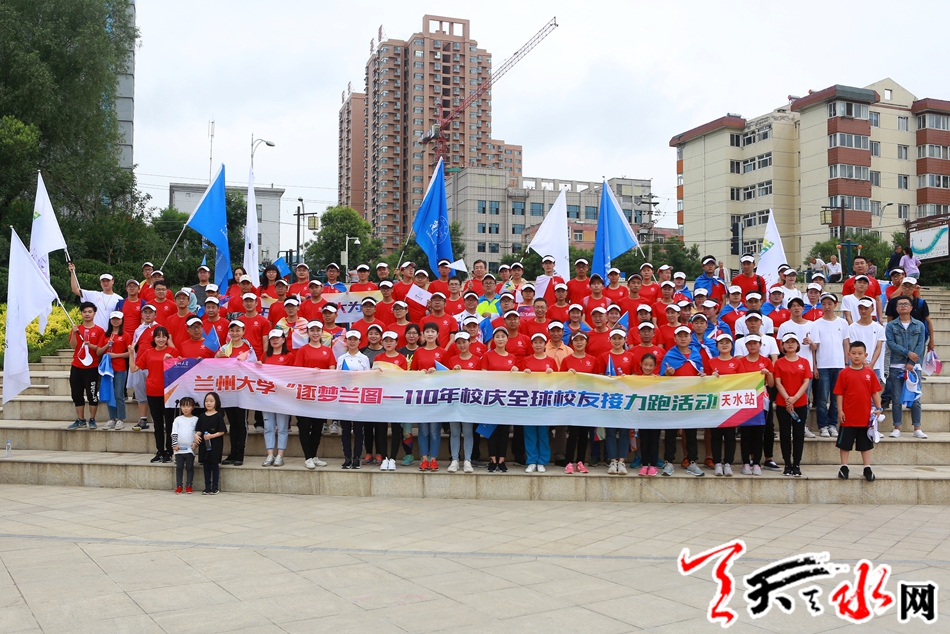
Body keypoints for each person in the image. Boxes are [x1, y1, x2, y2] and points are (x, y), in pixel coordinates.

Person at [834, 342, 883, 482]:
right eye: (854, 353)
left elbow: (875, 392)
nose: (857, 356)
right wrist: (840, 410)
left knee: (865, 444)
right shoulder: (844, 373)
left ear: (865, 355)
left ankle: (867, 467)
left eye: (860, 353)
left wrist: (879, 408)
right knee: (845, 444)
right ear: (848, 354)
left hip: (865, 416)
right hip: (848, 416)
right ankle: (844, 466)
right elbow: (839, 394)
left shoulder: (870, 373)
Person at [293, 321, 335, 468]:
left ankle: (314, 455)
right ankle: (308, 457)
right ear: (308, 332)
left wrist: (323, 374)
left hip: (321, 394)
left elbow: (332, 370)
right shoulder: (302, 350)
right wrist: (311, 373)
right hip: (306, 394)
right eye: (312, 330)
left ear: (322, 332)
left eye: (318, 330)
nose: (315, 333)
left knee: (318, 427)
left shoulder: (327, 350)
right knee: (305, 427)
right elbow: (298, 371)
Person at [134, 326, 178, 463]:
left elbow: (180, 368)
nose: (161, 339)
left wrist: (171, 360)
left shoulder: (173, 351)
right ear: (154, 338)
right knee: (157, 424)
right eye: (158, 337)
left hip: (169, 393)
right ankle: (160, 450)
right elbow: (134, 368)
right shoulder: (148, 352)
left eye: (164, 336)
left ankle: (169, 451)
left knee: (170, 424)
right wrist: (130, 353)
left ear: (167, 338)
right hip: (152, 392)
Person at [885, 295, 927, 439]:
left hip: (914, 367)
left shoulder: (919, 325)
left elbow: (921, 345)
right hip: (896, 365)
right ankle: (897, 427)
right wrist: (908, 353)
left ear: (911, 307)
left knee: (915, 398)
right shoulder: (891, 325)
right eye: (900, 304)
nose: (903, 306)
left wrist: (911, 362)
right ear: (896, 308)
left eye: (906, 304)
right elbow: (891, 343)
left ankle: (917, 428)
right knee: (896, 398)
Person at [480, 327, 519, 472]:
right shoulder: (487, 355)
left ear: (507, 339)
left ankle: (502, 459)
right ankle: (492, 459)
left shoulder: (512, 357)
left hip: (506, 399)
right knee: (492, 429)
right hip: (491, 398)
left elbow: (515, 379)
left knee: (504, 430)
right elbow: (483, 376)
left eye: (503, 336)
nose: (500, 339)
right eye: (497, 336)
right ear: (493, 339)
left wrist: (515, 372)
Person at [810, 293, 850, 437]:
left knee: (836, 397)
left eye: (830, 304)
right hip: (823, 365)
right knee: (821, 398)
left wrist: (846, 363)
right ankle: (823, 425)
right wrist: (815, 366)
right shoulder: (816, 324)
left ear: (835, 305)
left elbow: (846, 343)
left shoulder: (843, 323)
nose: (827, 307)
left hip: (839, 365)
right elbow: (814, 348)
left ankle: (832, 424)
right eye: (824, 304)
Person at [773, 333, 811, 477]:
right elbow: (778, 382)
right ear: (782, 345)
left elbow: (806, 382)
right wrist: (788, 399)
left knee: (798, 434)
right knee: (784, 434)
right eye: (787, 342)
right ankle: (787, 464)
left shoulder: (804, 362)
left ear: (797, 345)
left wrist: (794, 398)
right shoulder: (779, 362)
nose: (790, 344)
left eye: (793, 342)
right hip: (783, 403)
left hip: (800, 403)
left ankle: (797, 464)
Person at [65, 302, 107, 430]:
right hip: (77, 366)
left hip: (92, 367)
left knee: (92, 394)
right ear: (81, 314)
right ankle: (81, 419)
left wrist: (91, 346)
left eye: (90, 311)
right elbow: (73, 346)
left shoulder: (99, 330)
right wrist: (74, 333)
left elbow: (99, 350)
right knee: (76, 393)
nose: (87, 314)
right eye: (84, 312)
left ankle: (92, 419)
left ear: (94, 313)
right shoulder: (77, 328)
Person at [738, 335, 775, 475]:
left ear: (760, 344)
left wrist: (768, 374)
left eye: (755, 343)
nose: (752, 346)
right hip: (745, 400)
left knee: (759, 432)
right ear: (746, 346)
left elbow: (771, 384)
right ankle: (745, 462)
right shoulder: (740, 362)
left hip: (761, 400)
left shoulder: (766, 361)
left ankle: (757, 463)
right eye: (749, 343)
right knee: (745, 432)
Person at [260, 330, 295, 467]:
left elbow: (293, 374)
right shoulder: (265, 355)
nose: (275, 340)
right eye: (272, 338)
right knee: (268, 426)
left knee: (282, 427)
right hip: (267, 396)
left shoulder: (289, 356)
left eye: (277, 338)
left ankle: (280, 454)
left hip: (282, 397)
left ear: (283, 339)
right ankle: (270, 454)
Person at [705, 334, 739, 476]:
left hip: (731, 404)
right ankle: (717, 463)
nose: (724, 345)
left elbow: (743, 381)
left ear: (732, 346)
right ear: (717, 346)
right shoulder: (711, 362)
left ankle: (728, 463)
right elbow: (705, 382)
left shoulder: (737, 362)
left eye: (727, 342)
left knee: (730, 436)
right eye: (721, 343)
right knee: (716, 435)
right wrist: (710, 378)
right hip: (716, 403)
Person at [521, 333, 556, 473]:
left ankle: (542, 461)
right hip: (529, 401)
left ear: (545, 344)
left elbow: (557, 382)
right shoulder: (526, 360)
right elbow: (519, 380)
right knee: (529, 433)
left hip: (544, 402)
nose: (538, 344)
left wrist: (552, 374)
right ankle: (531, 460)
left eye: (541, 342)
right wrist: (524, 374)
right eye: (535, 342)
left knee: (543, 433)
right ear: (531, 344)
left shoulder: (551, 361)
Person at [337, 331, 372, 469]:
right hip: (344, 397)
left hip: (358, 398)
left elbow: (368, 378)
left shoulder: (364, 358)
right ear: (346, 341)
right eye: (350, 339)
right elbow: (337, 377)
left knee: (358, 430)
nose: (352, 342)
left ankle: (356, 457)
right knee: (345, 430)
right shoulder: (341, 358)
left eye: (355, 339)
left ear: (359, 341)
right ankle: (347, 457)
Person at [560, 332, 594, 474]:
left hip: (587, 402)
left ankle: (581, 461)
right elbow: (560, 381)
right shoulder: (566, 360)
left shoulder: (593, 360)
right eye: (576, 340)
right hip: (572, 402)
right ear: (571, 343)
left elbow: (598, 380)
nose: (579, 342)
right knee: (573, 433)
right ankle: (569, 462)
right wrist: (567, 375)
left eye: (582, 340)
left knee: (584, 433)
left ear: (586, 342)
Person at [68, 262, 121, 330]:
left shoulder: (119, 299)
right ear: (100, 282)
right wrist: (72, 273)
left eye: (108, 280)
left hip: (110, 333)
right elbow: (75, 289)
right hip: (95, 332)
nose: (105, 283)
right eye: (103, 281)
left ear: (113, 281)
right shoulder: (94, 295)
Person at [101, 311, 131, 430]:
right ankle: (112, 418)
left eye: (118, 319)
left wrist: (116, 356)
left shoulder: (125, 335)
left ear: (122, 320)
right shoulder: (105, 335)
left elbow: (130, 353)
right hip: (107, 369)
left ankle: (121, 418)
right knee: (110, 394)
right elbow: (99, 351)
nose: (115, 321)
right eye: (113, 318)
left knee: (119, 394)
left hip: (120, 368)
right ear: (110, 320)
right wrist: (106, 347)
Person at [849, 298, 886, 382]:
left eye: (866, 308)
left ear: (872, 309)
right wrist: (864, 362)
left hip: (874, 366)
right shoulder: (852, 328)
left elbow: (878, 347)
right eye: (861, 308)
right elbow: (853, 346)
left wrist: (872, 364)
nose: (863, 311)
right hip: (857, 366)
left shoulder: (879, 328)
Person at [196, 392, 226, 494]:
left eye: (211, 401)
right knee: (206, 466)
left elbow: (222, 431)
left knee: (214, 465)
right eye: (206, 401)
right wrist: (196, 435)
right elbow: (199, 430)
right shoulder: (201, 416)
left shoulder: (218, 416)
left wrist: (211, 436)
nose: (208, 403)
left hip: (215, 444)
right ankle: (207, 486)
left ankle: (215, 487)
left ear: (216, 403)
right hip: (204, 445)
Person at [171, 397, 199, 494]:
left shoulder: (196, 419)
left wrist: (195, 443)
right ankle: (179, 486)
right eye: (183, 406)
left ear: (193, 407)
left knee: (189, 467)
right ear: (180, 407)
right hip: (178, 449)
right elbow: (174, 432)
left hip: (190, 449)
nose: (186, 408)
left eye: (188, 406)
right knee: (179, 467)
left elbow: (197, 433)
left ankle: (189, 485)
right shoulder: (178, 419)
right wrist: (174, 444)